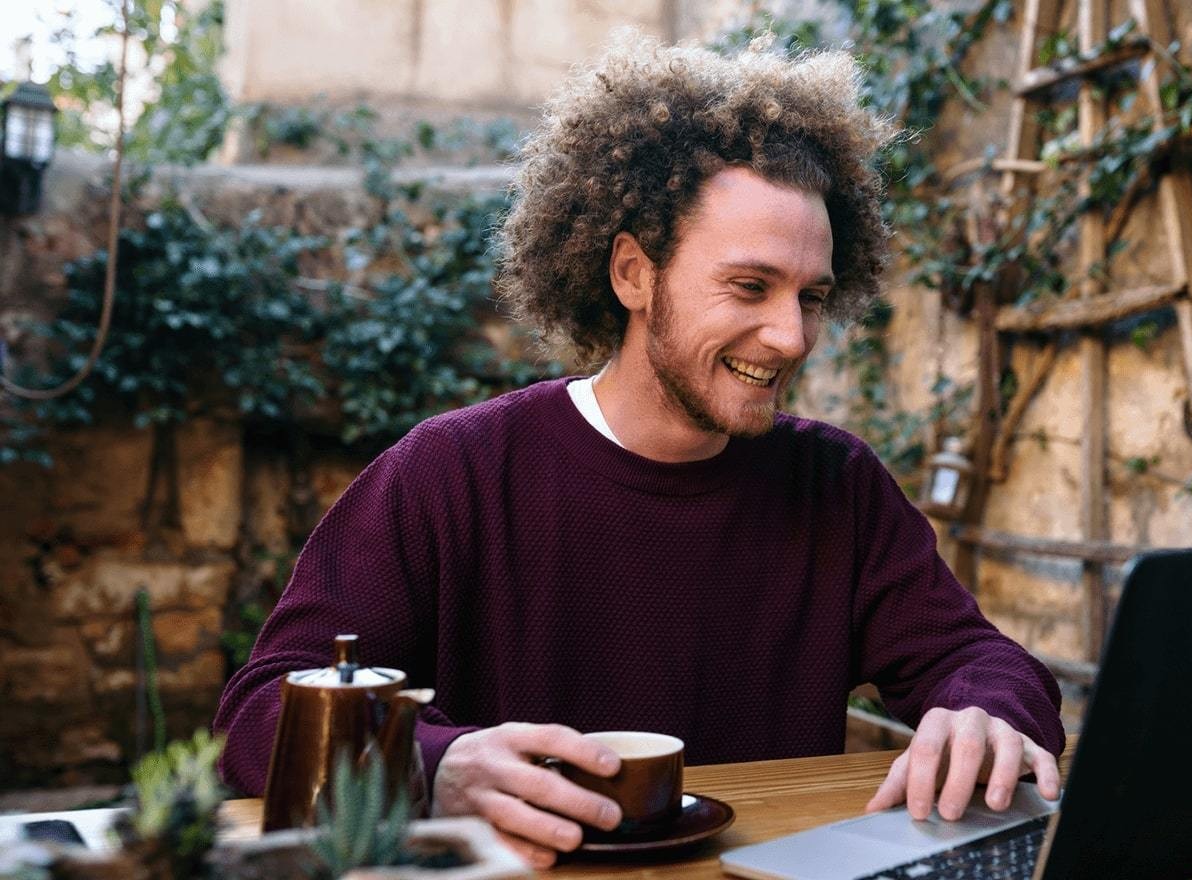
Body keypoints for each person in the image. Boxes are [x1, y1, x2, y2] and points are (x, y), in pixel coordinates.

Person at [214, 37, 1064, 869]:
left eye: (812, 297)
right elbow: (259, 715)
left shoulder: (835, 486)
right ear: (632, 274)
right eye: (750, 287)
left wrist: (986, 712)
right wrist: (436, 767)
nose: (792, 335)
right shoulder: (450, 475)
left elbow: (979, 661)